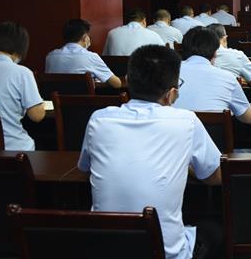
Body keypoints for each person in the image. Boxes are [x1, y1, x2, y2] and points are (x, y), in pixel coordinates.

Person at [78, 44, 223, 259]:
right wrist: (186, 167)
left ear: (127, 81)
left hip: (105, 249)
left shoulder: (99, 119)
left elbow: (85, 169)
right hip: (165, 253)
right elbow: (215, 176)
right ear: (171, 94)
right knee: (215, 230)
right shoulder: (187, 121)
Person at [173, 28, 251, 122]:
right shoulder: (228, 78)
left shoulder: (169, 72)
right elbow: (249, 119)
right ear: (215, 53)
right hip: (214, 132)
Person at [0, 22, 45, 150]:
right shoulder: (22, 72)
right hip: (14, 150)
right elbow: (37, 116)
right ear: (20, 47)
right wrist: (40, 102)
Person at [45, 19, 122, 88]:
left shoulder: (50, 56)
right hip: (83, 99)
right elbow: (117, 84)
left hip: (55, 99)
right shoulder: (91, 57)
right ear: (85, 37)